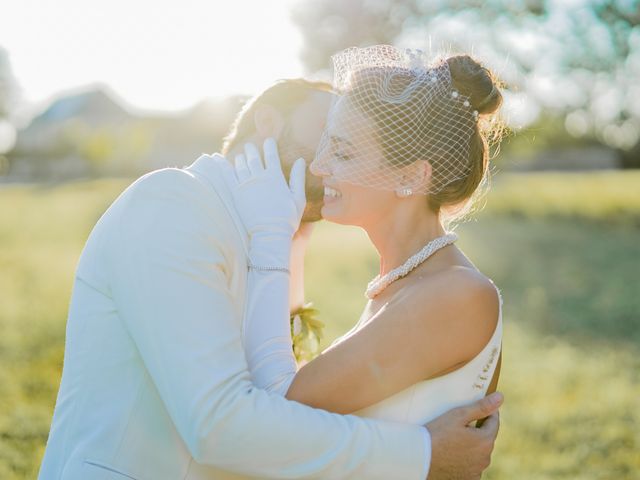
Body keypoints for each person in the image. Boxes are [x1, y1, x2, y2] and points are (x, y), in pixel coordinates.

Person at [38, 76, 501, 480]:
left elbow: (281, 409)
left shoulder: (275, 241)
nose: (326, 162)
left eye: (347, 147)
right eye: (327, 136)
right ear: (267, 124)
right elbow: (219, 424)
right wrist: (421, 455)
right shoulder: (171, 202)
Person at [220, 45, 506, 474]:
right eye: (326, 146)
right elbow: (303, 391)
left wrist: (270, 237)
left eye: (344, 152)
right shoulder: (403, 282)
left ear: (411, 176)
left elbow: (276, 410)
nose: (318, 166)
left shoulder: (457, 295)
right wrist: (297, 239)